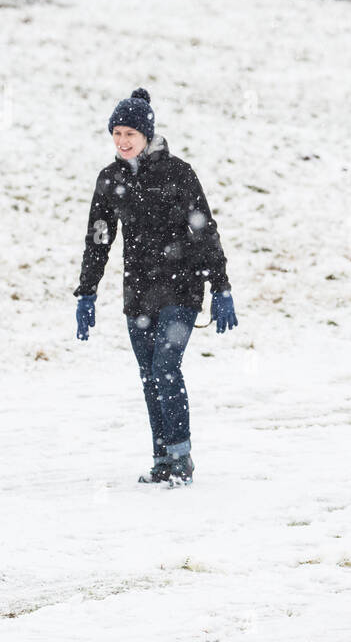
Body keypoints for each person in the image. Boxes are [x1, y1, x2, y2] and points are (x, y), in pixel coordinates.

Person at [73, 88, 237, 486]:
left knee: (166, 368)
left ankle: (182, 457)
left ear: (147, 134)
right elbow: (98, 239)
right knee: (149, 374)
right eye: (117, 134)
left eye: (130, 133)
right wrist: (87, 291)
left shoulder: (178, 173)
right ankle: (162, 458)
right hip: (139, 292)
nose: (123, 141)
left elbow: (204, 230)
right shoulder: (109, 180)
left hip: (181, 289)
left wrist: (221, 286)